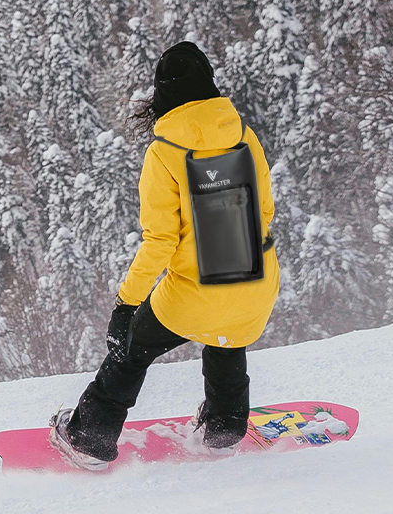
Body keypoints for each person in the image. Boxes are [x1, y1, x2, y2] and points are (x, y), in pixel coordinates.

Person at [48, 41, 280, 470]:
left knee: (133, 347)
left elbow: (160, 241)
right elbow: (264, 212)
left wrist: (127, 303)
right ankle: (223, 431)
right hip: (255, 279)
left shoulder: (165, 152)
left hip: (193, 292)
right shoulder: (245, 137)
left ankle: (90, 438)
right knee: (225, 338)